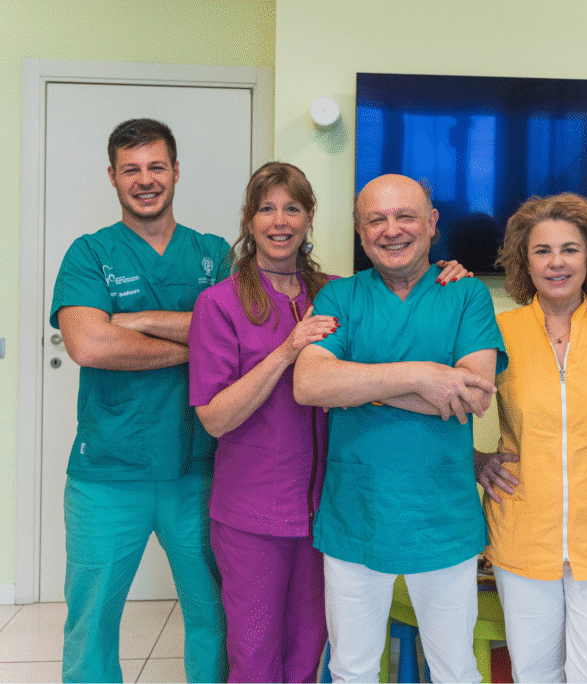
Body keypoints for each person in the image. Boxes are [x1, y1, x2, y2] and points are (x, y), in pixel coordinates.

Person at [187, 163, 473, 682]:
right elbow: (214, 417)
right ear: (248, 221)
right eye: (266, 209)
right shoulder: (220, 303)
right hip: (255, 510)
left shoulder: (336, 292)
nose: (280, 221)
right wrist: (285, 353)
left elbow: (397, 339)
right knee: (254, 656)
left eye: (292, 208)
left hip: (326, 508)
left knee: (309, 653)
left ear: (310, 218)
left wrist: (444, 272)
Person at [291, 174, 507, 684]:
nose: (392, 230)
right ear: (360, 232)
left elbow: (473, 394)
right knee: (352, 668)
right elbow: (310, 384)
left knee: (456, 668)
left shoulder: (466, 294)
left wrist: (360, 384)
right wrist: (423, 375)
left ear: (432, 224)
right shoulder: (340, 297)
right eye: (377, 220)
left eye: (405, 216)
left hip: (443, 517)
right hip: (356, 514)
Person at [50, 118, 227, 683]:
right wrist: (202, 345)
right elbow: (88, 342)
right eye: (131, 169)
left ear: (176, 172)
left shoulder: (213, 254)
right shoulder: (89, 254)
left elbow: (241, 337)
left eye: (156, 167)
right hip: (106, 474)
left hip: (199, 472)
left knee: (213, 616)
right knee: (91, 621)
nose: (145, 179)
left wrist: (141, 323)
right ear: (112, 176)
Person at [476, 193, 587, 683]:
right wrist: (475, 459)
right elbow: (446, 404)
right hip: (522, 534)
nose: (556, 262)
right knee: (535, 674)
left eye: (570, 249)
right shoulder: (497, 331)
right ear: (524, 261)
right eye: (542, 251)